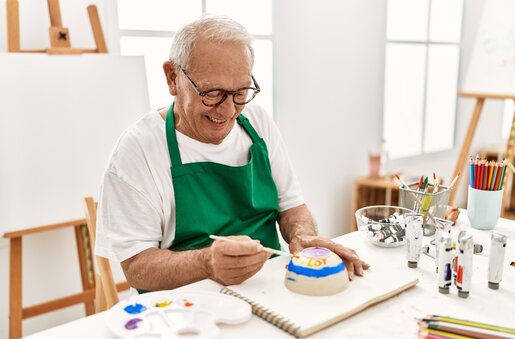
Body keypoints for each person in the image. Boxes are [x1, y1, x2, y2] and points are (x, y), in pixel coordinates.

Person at [95, 15, 369, 291]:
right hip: (182, 306)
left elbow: (291, 207)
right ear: (172, 78)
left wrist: (303, 236)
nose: (228, 111)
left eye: (241, 92)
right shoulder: (138, 151)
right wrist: (206, 263)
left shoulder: (257, 123)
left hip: (267, 288)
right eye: (212, 93)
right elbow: (138, 269)